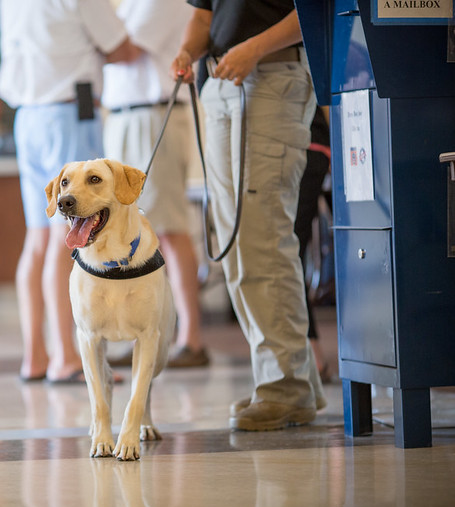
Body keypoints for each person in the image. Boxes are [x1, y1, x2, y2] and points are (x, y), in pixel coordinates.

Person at [170, 2, 327, 430]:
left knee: (262, 238)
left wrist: (253, 49)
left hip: (271, 78)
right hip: (221, 83)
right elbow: (204, 16)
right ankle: (287, 381)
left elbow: (313, 12)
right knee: (238, 246)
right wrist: (187, 51)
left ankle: (286, 387)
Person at [0, 0, 137, 383]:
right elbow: (122, 47)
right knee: (66, 240)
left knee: (37, 240)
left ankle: (35, 357)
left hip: (28, 117)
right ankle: (66, 358)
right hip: (69, 114)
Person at [102, 0, 208, 369]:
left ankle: (190, 337)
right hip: (128, 117)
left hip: (150, 115)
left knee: (165, 226)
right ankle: (139, 334)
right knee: (134, 227)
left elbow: (122, 49)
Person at [295, 106, 333, 383]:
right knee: (290, 252)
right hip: (310, 142)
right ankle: (311, 355)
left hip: (305, 143)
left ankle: (313, 356)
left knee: (289, 252)